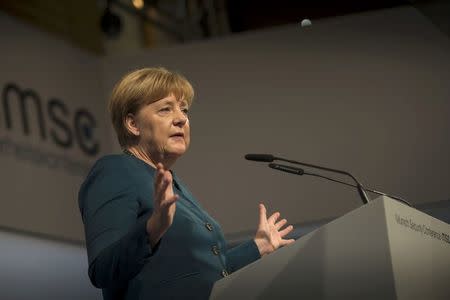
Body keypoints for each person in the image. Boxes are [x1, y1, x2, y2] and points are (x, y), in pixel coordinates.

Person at [78, 67, 295, 300]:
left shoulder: (174, 183)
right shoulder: (115, 171)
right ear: (133, 124)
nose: (181, 118)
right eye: (165, 109)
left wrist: (257, 247)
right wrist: (152, 229)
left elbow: (199, 274)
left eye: (184, 110)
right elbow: (102, 270)